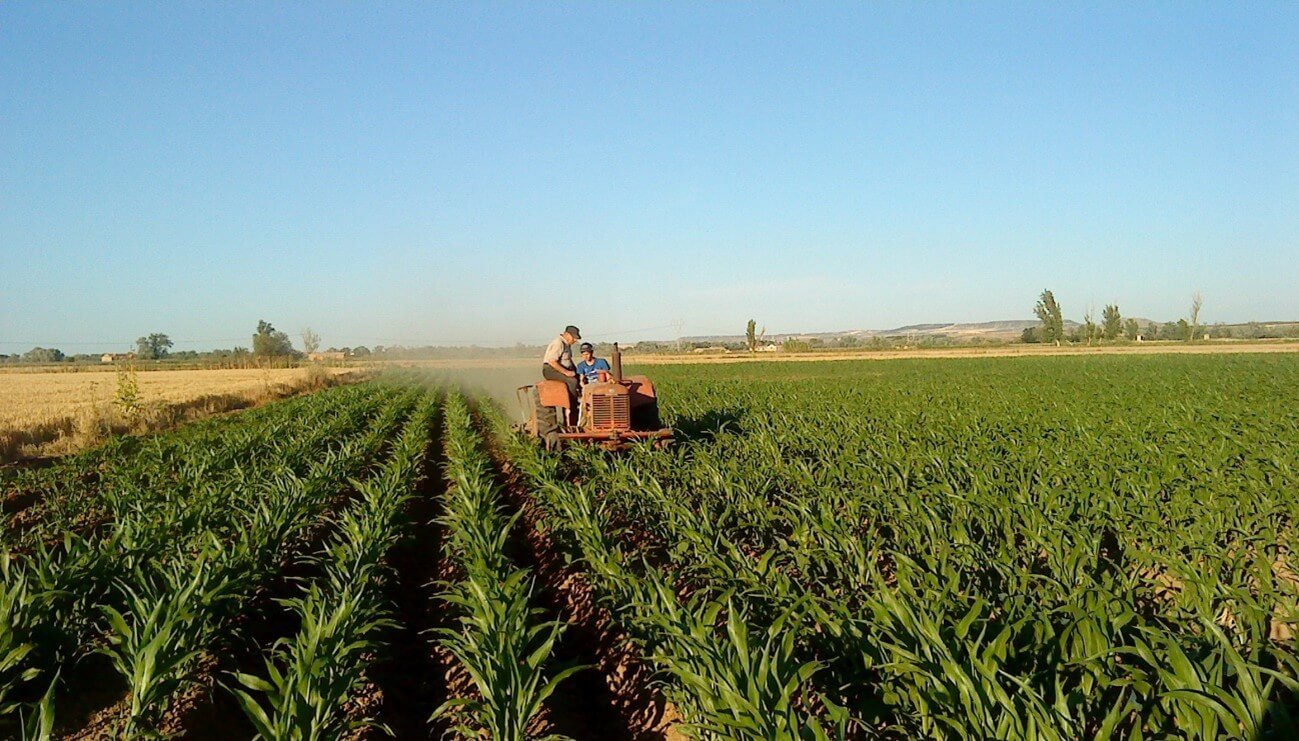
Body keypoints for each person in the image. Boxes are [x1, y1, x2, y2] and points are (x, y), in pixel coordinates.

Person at [541, 325, 581, 421]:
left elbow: (568, 361)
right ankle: (572, 407)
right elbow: (552, 361)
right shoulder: (559, 343)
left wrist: (578, 373)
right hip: (551, 370)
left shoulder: (567, 344)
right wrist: (566, 372)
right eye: (574, 337)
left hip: (561, 368)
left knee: (580, 378)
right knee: (572, 381)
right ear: (566, 334)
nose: (575, 340)